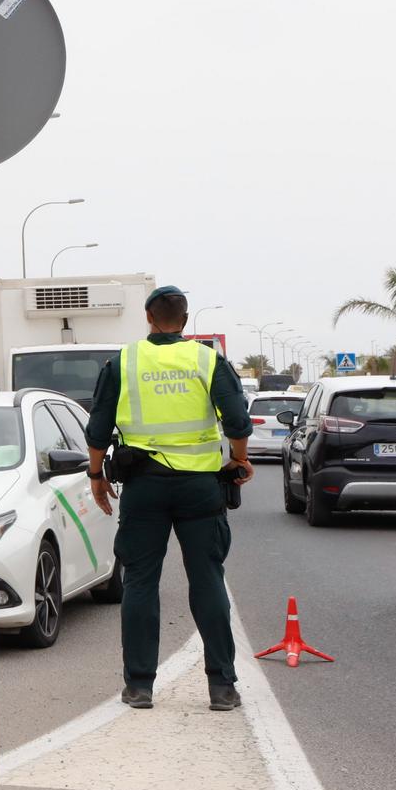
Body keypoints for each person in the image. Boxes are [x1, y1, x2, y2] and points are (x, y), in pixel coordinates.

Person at [85, 287, 252, 712]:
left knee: (141, 582)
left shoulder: (124, 361)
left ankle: (139, 687)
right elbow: (236, 419)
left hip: (143, 488)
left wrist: (95, 475)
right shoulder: (207, 359)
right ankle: (222, 688)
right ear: (185, 319)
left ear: (148, 317)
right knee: (208, 579)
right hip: (200, 488)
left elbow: (99, 424)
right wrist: (240, 460)